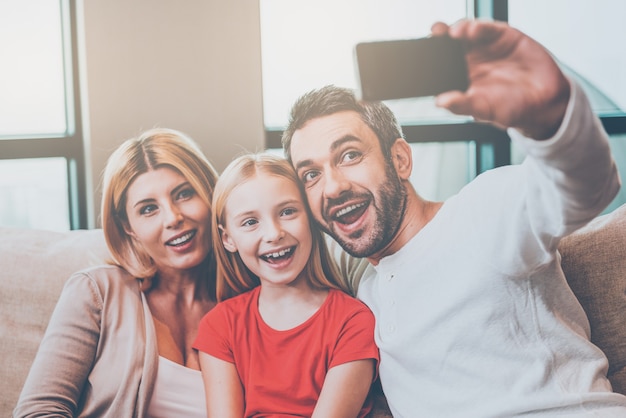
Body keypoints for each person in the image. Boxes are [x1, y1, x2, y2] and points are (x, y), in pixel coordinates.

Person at [281, 19, 626, 417]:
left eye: (350, 155)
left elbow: (585, 186)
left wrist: (550, 115)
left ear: (400, 159)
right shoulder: (361, 289)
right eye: (311, 174)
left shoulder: (482, 211)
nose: (332, 187)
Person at [14, 128, 219, 417]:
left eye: (184, 194)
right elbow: (39, 410)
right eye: (149, 209)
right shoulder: (97, 292)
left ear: (211, 193)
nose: (173, 218)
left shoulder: (250, 299)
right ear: (128, 227)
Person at [192, 153, 379, 418]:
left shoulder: (353, 322)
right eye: (250, 222)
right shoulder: (220, 326)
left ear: (311, 218)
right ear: (228, 239)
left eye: (287, 212)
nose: (273, 233)